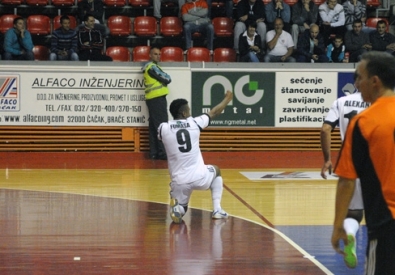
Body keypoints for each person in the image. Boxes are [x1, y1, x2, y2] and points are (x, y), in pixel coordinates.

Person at [332, 51, 395, 274]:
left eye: (359, 77)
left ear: (375, 81)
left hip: (386, 224)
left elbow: (347, 181)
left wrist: (338, 225)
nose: (356, 84)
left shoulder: (364, 122)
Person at [158, 90, 233, 223]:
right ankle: (217, 209)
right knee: (216, 170)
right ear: (184, 113)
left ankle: (178, 210)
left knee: (182, 208)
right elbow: (214, 112)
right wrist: (227, 100)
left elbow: (160, 137)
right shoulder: (195, 123)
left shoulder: (163, 128)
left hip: (179, 181)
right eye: (189, 110)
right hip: (200, 177)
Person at [321, 90, 370, 268]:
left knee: (354, 213)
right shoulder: (383, 101)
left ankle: (350, 233)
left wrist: (327, 159)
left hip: (350, 161)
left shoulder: (341, 101)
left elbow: (326, 129)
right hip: (379, 163)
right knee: (383, 215)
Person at [142, 47, 171, 160]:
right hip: (157, 99)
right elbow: (167, 79)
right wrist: (166, 77)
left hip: (152, 99)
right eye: (155, 54)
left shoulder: (150, 67)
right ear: (150, 55)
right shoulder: (152, 67)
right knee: (162, 126)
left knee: (154, 126)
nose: (158, 56)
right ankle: (162, 152)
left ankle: (154, 152)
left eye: (159, 54)